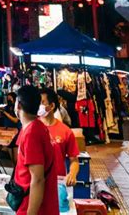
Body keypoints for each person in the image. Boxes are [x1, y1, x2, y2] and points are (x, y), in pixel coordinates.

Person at [13, 85, 58, 215]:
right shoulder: (35, 126)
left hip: (34, 208)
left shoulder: (32, 133)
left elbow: (37, 179)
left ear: (19, 105)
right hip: (30, 203)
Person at [39, 88, 79, 186]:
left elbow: (74, 160)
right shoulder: (31, 128)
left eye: (42, 103)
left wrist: (72, 174)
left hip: (58, 184)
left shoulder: (66, 131)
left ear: (52, 106)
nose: (38, 106)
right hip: (36, 183)